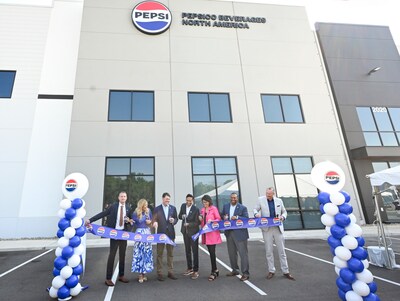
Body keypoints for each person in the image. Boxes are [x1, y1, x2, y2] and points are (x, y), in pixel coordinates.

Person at [85, 191, 131, 286]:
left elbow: (130, 220)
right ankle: (108, 278)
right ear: (118, 198)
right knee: (112, 256)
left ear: (126, 198)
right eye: (121, 196)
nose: (123, 198)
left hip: (123, 234)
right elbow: (103, 214)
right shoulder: (113, 207)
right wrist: (90, 220)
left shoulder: (128, 208)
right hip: (114, 234)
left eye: (124, 196)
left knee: (122, 256)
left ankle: (121, 276)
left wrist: (129, 222)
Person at [254, 187, 295, 281]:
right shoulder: (260, 199)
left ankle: (286, 271)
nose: (268, 195)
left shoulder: (279, 201)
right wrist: (256, 214)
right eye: (267, 193)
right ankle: (271, 270)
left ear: (273, 193)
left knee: (282, 251)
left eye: (270, 193)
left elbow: (284, 211)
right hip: (266, 228)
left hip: (278, 228)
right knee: (269, 251)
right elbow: (255, 209)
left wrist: (283, 217)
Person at [221, 192, 250, 281]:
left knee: (243, 254)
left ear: (237, 198)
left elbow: (246, 218)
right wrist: (224, 217)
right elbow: (222, 215)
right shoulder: (226, 206)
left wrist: (237, 217)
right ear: (230, 198)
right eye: (232, 198)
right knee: (232, 253)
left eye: (235, 198)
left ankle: (245, 273)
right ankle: (235, 270)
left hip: (240, 234)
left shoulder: (243, 207)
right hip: (229, 233)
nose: (233, 199)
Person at [152, 192, 178, 281]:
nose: (168, 201)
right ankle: (159, 273)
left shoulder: (173, 208)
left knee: (170, 254)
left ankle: (170, 272)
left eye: (169, 199)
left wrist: (173, 221)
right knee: (160, 254)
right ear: (162, 199)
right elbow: (154, 219)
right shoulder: (157, 209)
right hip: (161, 234)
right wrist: (154, 222)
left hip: (170, 234)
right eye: (166, 199)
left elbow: (176, 218)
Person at [130, 199, 154, 283]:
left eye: (147, 205)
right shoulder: (135, 212)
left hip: (147, 233)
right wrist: (129, 221)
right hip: (139, 234)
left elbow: (151, 223)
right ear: (141, 205)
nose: (146, 206)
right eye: (145, 205)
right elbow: (133, 223)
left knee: (146, 253)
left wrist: (150, 222)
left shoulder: (149, 211)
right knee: (139, 253)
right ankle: (140, 274)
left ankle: (144, 273)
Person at [199, 194, 222, 281]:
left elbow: (218, 219)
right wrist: (200, 219)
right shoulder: (202, 210)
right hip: (205, 233)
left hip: (212, 234)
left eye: (205, 202)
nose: (204, 204)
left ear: (209, 201)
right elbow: (201, 219)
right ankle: (215, 270)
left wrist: (212, 221)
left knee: (212, 253)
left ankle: (214, 271)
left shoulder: (214, 208)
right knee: (210, 252)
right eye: (203, 202)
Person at [178, 193, 201, 280]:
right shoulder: (183, 206)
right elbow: (179, 216)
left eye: (190, 201)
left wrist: (189, 224)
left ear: (193, 200)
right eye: (187, 200)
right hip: (185, 232)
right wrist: (182, 216)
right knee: (187, 250)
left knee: (195, 251)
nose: (188, 202)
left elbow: (197, 222)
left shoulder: (196, 209)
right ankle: (189, 268)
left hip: (194, 232)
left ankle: (196, 270)